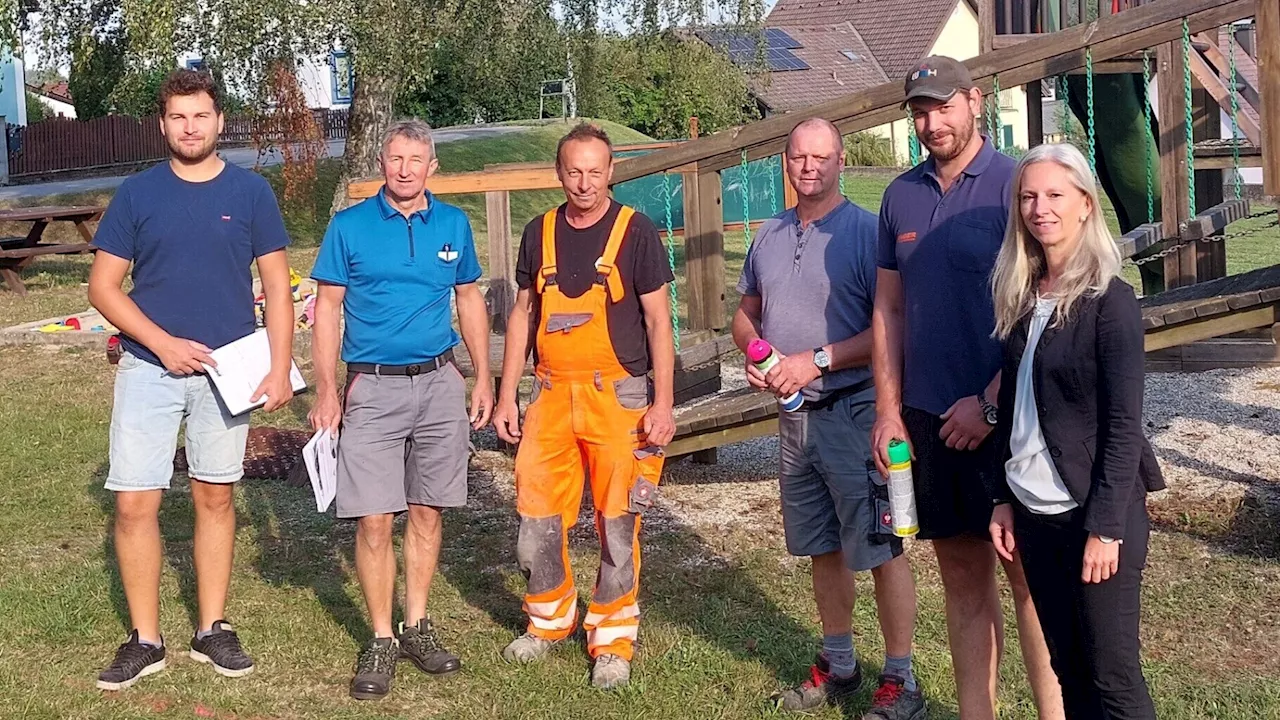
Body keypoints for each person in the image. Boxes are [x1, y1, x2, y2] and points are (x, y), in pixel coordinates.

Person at [869, 56, 1065, 719]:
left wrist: (989, 401)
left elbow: (1048, 306)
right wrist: (889, 411)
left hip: (1010, 417)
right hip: (927, 416)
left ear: (975, 102)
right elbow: (889, 311)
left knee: (1030, 581)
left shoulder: (1020, 187)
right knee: (960, 577)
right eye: (920, 111)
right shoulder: (899, 195)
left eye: (943, 106)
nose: (932, 122)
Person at [88, 69, 294, 690]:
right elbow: (102, 287)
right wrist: (161, 343)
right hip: (150, 370)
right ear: (163, 123)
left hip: (228, 371)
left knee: (215, 496)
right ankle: (145, 639)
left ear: (219, 121)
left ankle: (212, 628)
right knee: (134, 503)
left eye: (200, 116)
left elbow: (279, 288)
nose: (189, 127)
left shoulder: (253, 192)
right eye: (178, 117)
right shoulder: (137, 195)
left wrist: (279, 365)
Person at [731, 118, 924, 719]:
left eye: (821, 157)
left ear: (840, 160)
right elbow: (745, 313)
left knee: (885, 545)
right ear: (784, 162)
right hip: (794, 419)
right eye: (797, 157)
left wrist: (815, 361)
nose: (808, 167)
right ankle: (839, 663)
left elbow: (891, 328)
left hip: (856, 409)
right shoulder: (768, 234)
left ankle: (902, 678)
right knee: (822, 546)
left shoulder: (867, 234)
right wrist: (756, 354)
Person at [308, 118, 493, 700]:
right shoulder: (350, 226)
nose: (405, 168)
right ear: (382, 164)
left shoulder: (454, 224)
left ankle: (416, 624)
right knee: (371, 517)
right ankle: (382, 637)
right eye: (395, 158)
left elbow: (468, 300)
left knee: (428, 510)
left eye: (416, 159)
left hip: (439, 383)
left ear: (432, 166)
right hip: (374, 388)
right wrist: (326, 387)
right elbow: (329, 308)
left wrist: (483, 376)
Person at [492, 122, 676, 690]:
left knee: (617, 522)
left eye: (595, 171)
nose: (584, 183)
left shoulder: (636, 231)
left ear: (611, 172)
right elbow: (523, 314)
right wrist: (507, 393)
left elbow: (658, 321)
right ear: (559, 172)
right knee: (537, 515)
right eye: (574, 171)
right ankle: (548, 620)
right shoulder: (539, 231)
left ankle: (613, 639)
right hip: (549, 394)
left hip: (619, 397)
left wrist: (663, 402)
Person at [987, 143, 1163, 720]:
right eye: (1029, 197)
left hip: (1094, 514)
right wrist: (1001, 497)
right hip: (1035, 516)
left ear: (1086, 205)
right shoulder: (1022, 295)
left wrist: (1106, 529)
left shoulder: (1111, 303)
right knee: (1069, 671)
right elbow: (1013, 407)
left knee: (1113, 677)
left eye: (1055, 195)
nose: (1040, 208)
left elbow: (1122, 427)